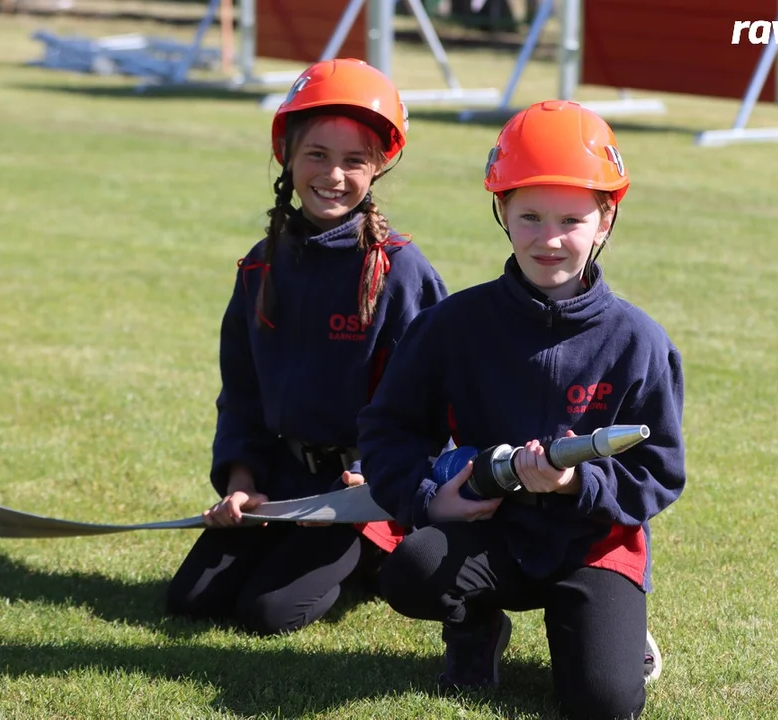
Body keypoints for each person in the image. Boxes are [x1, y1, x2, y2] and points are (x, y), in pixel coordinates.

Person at [356, 100, 686, 720]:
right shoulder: (452, 326)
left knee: (604, 704)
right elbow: (389, 428)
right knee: (410, 570)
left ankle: (605, 627)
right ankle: (477, 627)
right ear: (501, 211)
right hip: (489, 533)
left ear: (606, 218)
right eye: (528, 215)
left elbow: (659, 473)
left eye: (571, 218)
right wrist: (431, 498)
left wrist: (577, 482)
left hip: (591, 543)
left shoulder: (640, 341)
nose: (550, 238)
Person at [165, 58, 449, 636]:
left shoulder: (400, 271)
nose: (334, 175)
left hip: (360, 494)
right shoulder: (262, 265)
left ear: (379, 167)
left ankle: (374, 553)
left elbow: (435, 402)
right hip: (280, 482)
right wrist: (242, 481)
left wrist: (375, 480)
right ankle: (290, 545)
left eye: (354, 161)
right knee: (191, 600)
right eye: (317, 154)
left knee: (267, 613)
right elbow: (241, 392)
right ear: (287, 156)